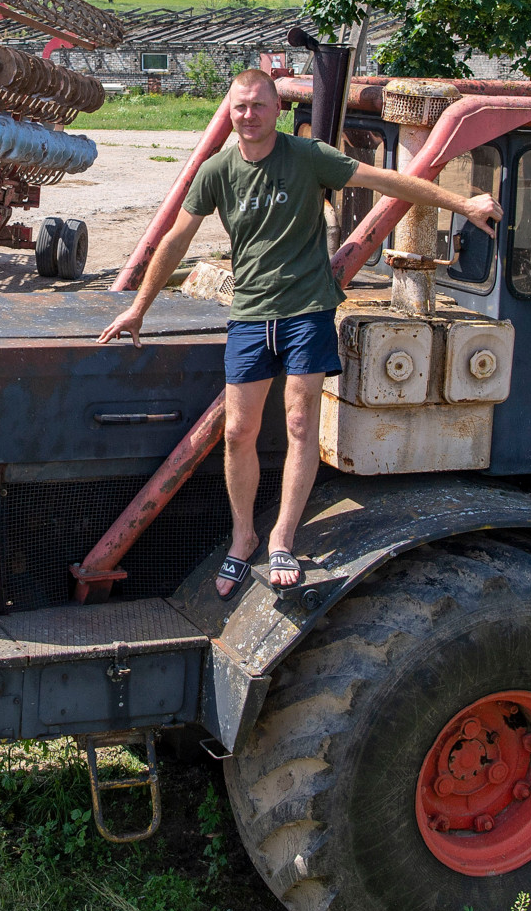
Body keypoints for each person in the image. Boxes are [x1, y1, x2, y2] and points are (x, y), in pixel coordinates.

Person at [97, 67, 500, 596]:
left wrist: (464, 203)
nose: (248, 115)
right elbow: (175, 238)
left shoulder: (307, 157)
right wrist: (138, 308)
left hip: (307, 311)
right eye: (239, 107)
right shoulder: (217, 171)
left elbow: (387, 182)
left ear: (276, 110)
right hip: (249, 315)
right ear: (230, 112)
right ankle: (243, 539)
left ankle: (282, 539)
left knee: (298, 422)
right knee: (239, 431)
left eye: (258, 106)